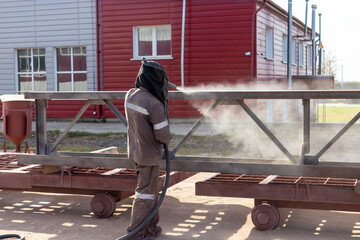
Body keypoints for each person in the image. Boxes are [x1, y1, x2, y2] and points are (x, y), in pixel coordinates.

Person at [124, 58, 171, 240]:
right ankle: (136, 233)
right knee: (145, 195)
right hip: (149, 156)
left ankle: (150, 228)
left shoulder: (130, 95)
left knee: (150, 192)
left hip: (134, 152)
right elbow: (163, 136)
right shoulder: (154, 104)